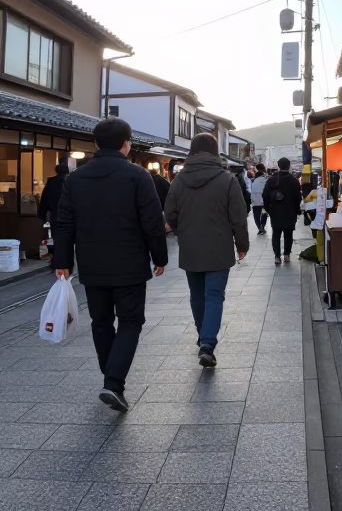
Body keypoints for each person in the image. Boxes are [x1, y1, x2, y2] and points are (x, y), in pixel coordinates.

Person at [53, 117, 167, 412]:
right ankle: (113, 383)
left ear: (95, 144)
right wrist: (160, 257)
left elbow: (64, 223)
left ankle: (111, 381)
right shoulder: (138, 176)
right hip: (130, 263)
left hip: (92, 264)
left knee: (101, 322)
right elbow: (152, 222)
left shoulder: (75, 179)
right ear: (126, 144)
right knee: (130, 321)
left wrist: (62, 261)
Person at [164, 133, 250, 368]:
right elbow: (238, 217)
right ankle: (207, 343)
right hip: (219, 247)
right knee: (214, 295)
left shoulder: (179, 180)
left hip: (190, 247)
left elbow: (170, 214)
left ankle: (203, 336)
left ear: (191, 151)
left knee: (197, 295)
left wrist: (183, 231)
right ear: (215, 152)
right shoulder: (227, 180)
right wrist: (242, 245)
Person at [263, 157, 302, 265]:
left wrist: (268, 209)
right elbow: (298, 198)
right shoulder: (294, 180)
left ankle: (277, 256)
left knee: (276, 234)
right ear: (289, 166)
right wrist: (296, 209)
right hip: (290, 212)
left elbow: (265, 195)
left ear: (278, 166)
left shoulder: (271, 180)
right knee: (288, 234)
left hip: (275, 211)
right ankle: (286, 255)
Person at [249, 163, 268, 235]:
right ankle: (262, 227)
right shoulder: (266, 179)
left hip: (255, 200)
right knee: (264, 214)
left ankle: (260, 228)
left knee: (256, 215)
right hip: (264, 200)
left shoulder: (254, 180)